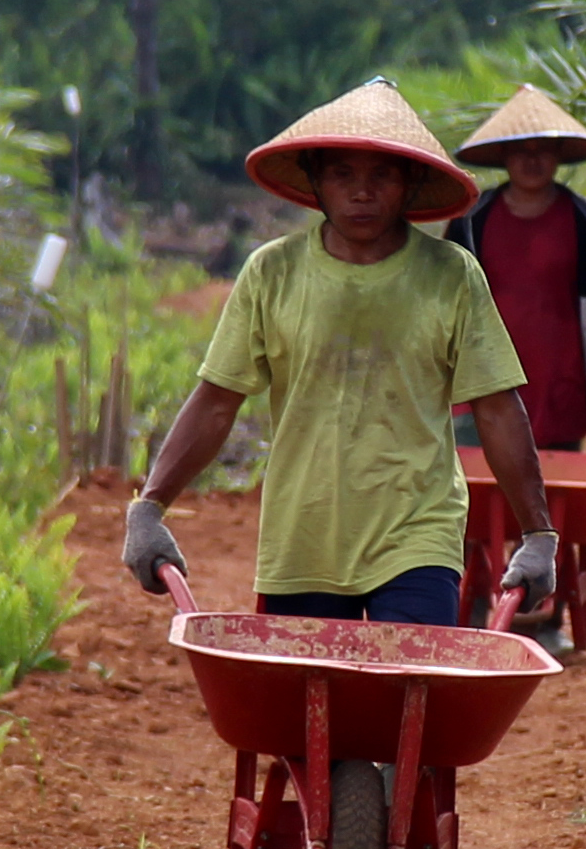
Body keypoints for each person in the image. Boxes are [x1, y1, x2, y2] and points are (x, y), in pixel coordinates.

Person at [121, 77, 558, 632]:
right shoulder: (272, 273)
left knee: (409, 700)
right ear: (315, 181)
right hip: (303, 537)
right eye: (342, 174)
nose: (362, 192)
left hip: (417, 535)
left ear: (411, 181)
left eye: (382, 176)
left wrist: (538, 533)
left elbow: (497, 407)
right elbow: (216, 402)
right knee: (308, 710)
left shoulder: (449, 275)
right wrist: (150, 507)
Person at [441, 85, 586, 455]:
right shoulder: (471, 225)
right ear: (504, 155)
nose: (532, 160)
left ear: (559, 154)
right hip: (480, 394)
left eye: (543, 149)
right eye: (520, 150)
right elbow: (440, 306)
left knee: (549, 506)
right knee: (476, 503)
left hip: (561, 394)